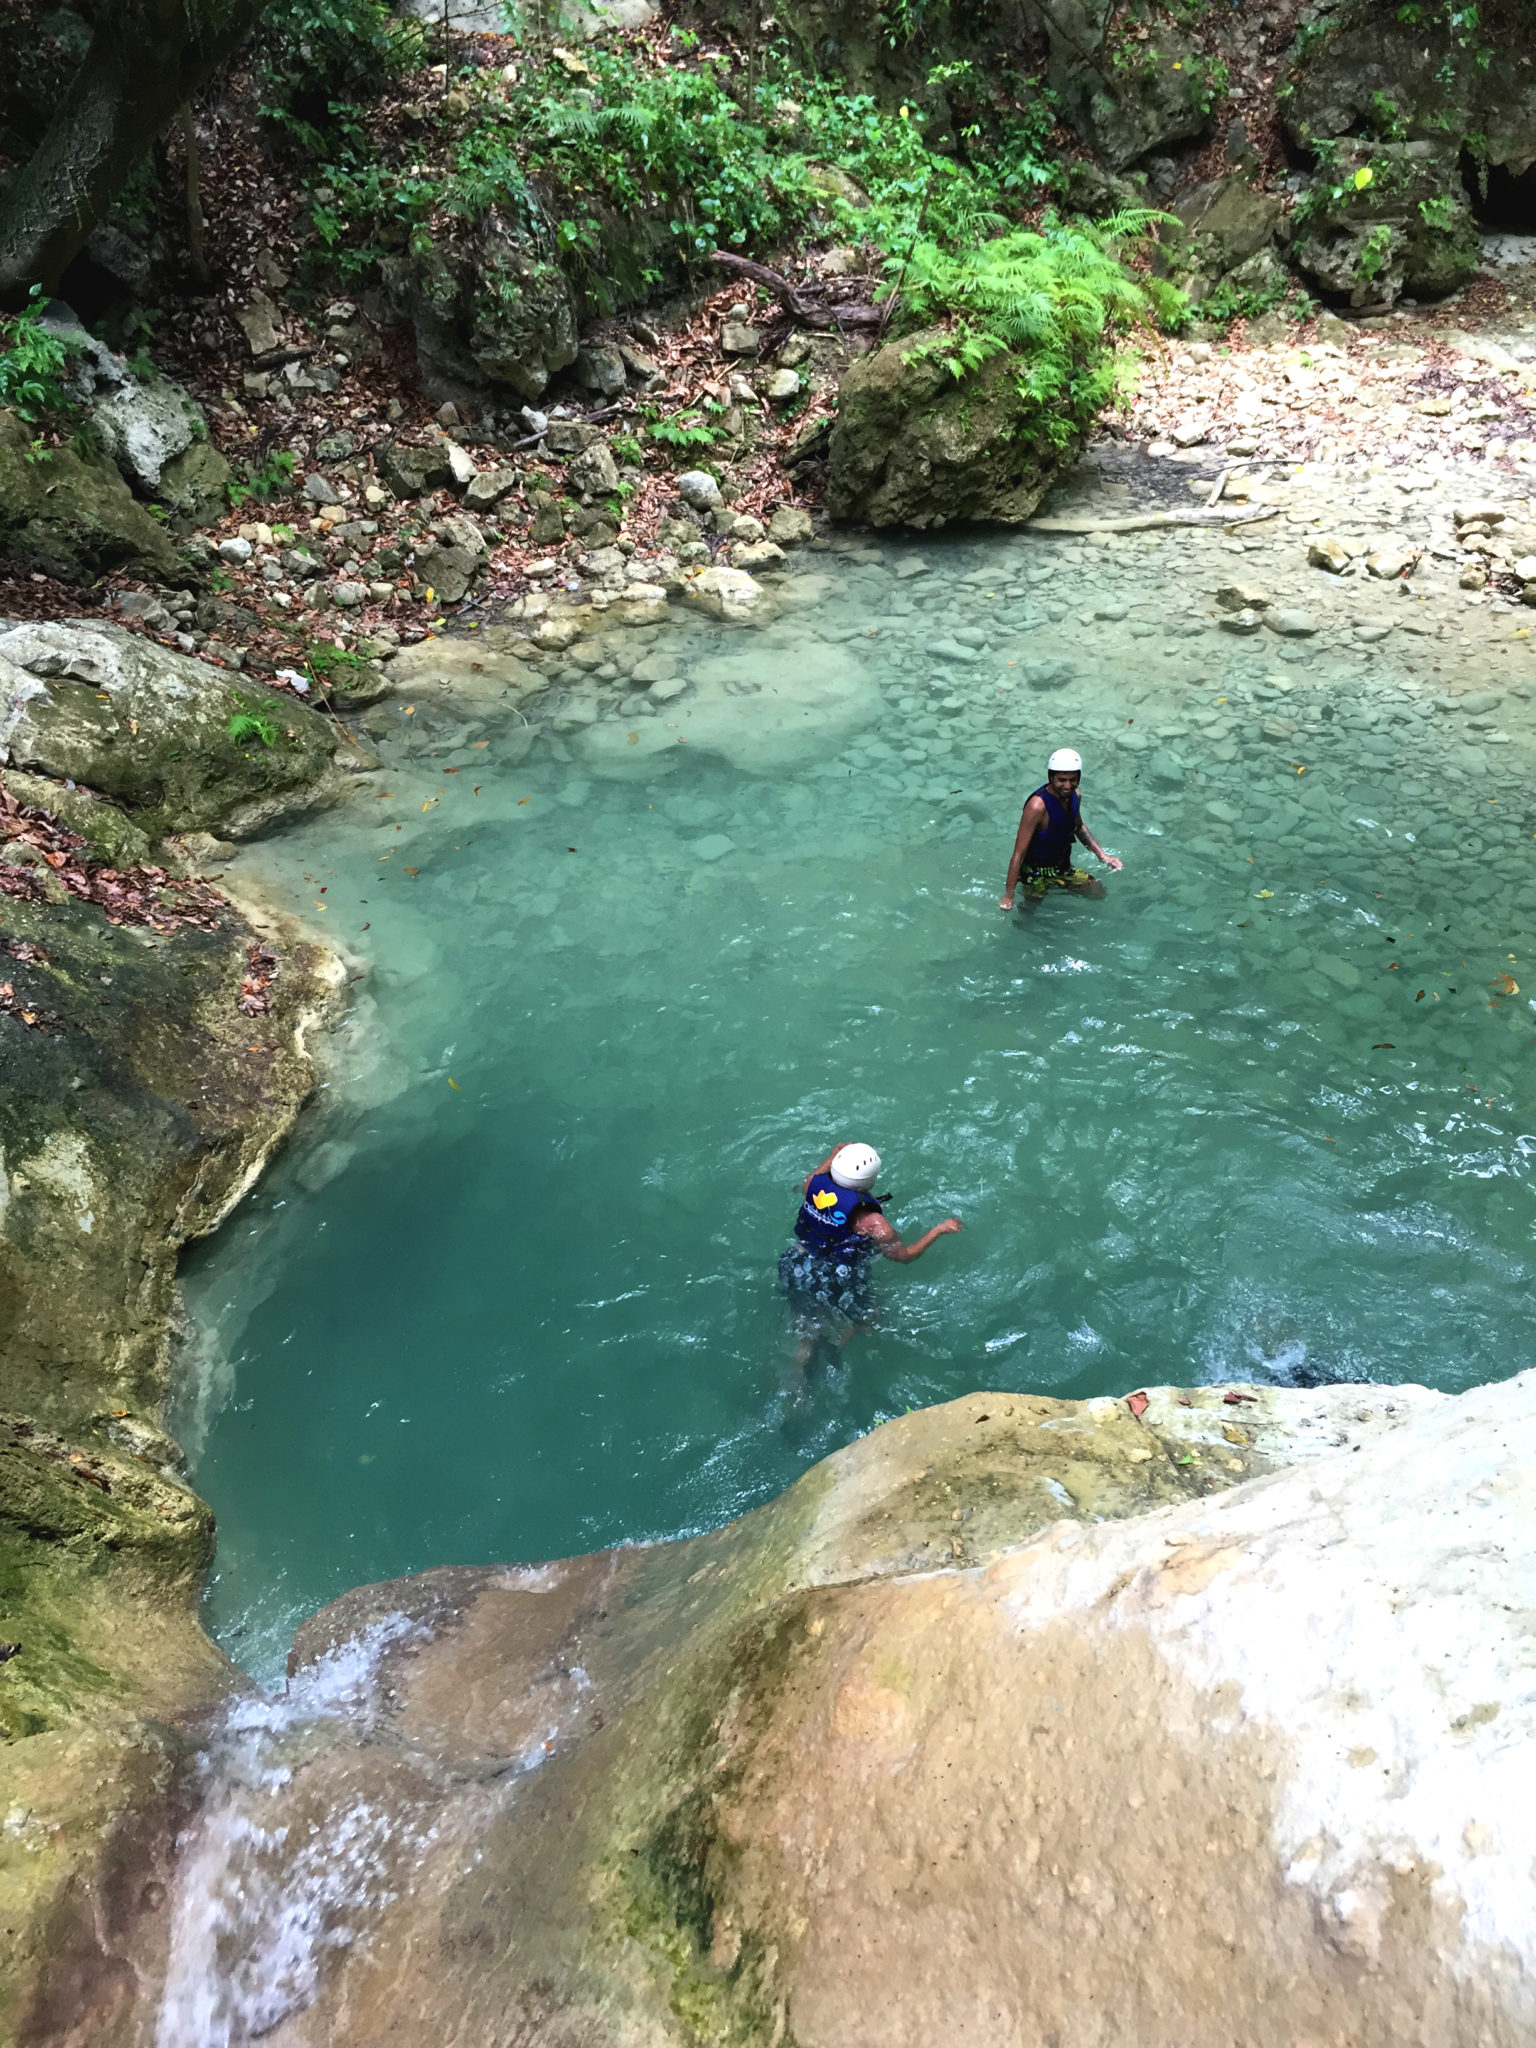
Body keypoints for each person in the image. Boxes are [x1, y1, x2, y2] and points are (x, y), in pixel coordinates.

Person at [779, 1142, 963, 1363]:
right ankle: (835, 1346)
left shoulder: (811, 1184)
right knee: (872, 1317)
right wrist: (939, 1229)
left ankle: (796, 1379)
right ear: (870, 1180)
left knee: (806, 1331)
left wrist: (835, 1155)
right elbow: (905, 1256)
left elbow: (826, 1171)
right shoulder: (875, 1224)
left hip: (797, 1262)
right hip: (835, 1274)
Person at [999, 747, 1123, 911]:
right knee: (1030, 914)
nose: (1068, 785)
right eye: (1062, 780)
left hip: (1062, 868)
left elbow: (1078, 827)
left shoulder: (1075, 795)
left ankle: (1061, 889)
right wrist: (1009, 895)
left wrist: (1103, 856)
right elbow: (1018, 854)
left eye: (1073, 779)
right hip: (1035, 874)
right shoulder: (1037, 806)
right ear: (1051, 777)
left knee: (1097, 891)